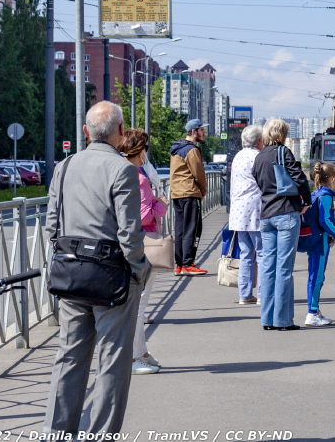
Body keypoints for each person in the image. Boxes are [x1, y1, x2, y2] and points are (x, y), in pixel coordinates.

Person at [43, 101, 152, 435]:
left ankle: (57, 433)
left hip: (71, 276)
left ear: (87, 132)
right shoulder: (123, 169)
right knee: (112, 364)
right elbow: (129, 233)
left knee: (69, 358)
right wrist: (141, 270)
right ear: (121, 133)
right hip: (113, 280)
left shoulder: (65, 166)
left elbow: (51, 227)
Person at [252, 118, 310, 331]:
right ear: (282, 134)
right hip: (286, 214)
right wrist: (307, 201)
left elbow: (258, 181)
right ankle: (283, 321)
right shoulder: (283, 152)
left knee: (267, 268)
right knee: (284, 269)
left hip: (266, 217)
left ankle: (267, 320)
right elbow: (300, 179)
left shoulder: (259, 157)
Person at [118, 129, 166, 375]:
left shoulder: (119, 172)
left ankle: (142, 351)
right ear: (140, 151)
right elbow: (144, 214)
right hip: (144, 242)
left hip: (127, 243)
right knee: (139, 302)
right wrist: (161, 204)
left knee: (136, 302)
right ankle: (135, 356)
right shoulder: (139, 177)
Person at [299, 163, 335, 327]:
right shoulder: (326, 196)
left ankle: (314, 310)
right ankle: (312, 313)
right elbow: (324, 220)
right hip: (321, 241)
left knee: (314, 276)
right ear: (332, 179)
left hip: (315, 239)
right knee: (317, 277)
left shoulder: (316, 193)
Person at [228, 124, 265, 306]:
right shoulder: (258, 157)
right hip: (255, 211)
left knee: (245, 254)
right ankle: (263, 294)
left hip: (238, 212)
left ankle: (245, 294)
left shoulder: (238, 156)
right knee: (262, 253)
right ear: (259, 140)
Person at [170, 118, 208, 275]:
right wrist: (203, 192)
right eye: (201, 130)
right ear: (194, 132)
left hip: (177, 193)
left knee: (180, 229)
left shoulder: (177, 149)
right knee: (193, 228)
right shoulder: (191, 150)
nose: (203, 133)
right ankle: (188, 264)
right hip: (190, 192)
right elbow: (199, 174)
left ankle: (179, 264)